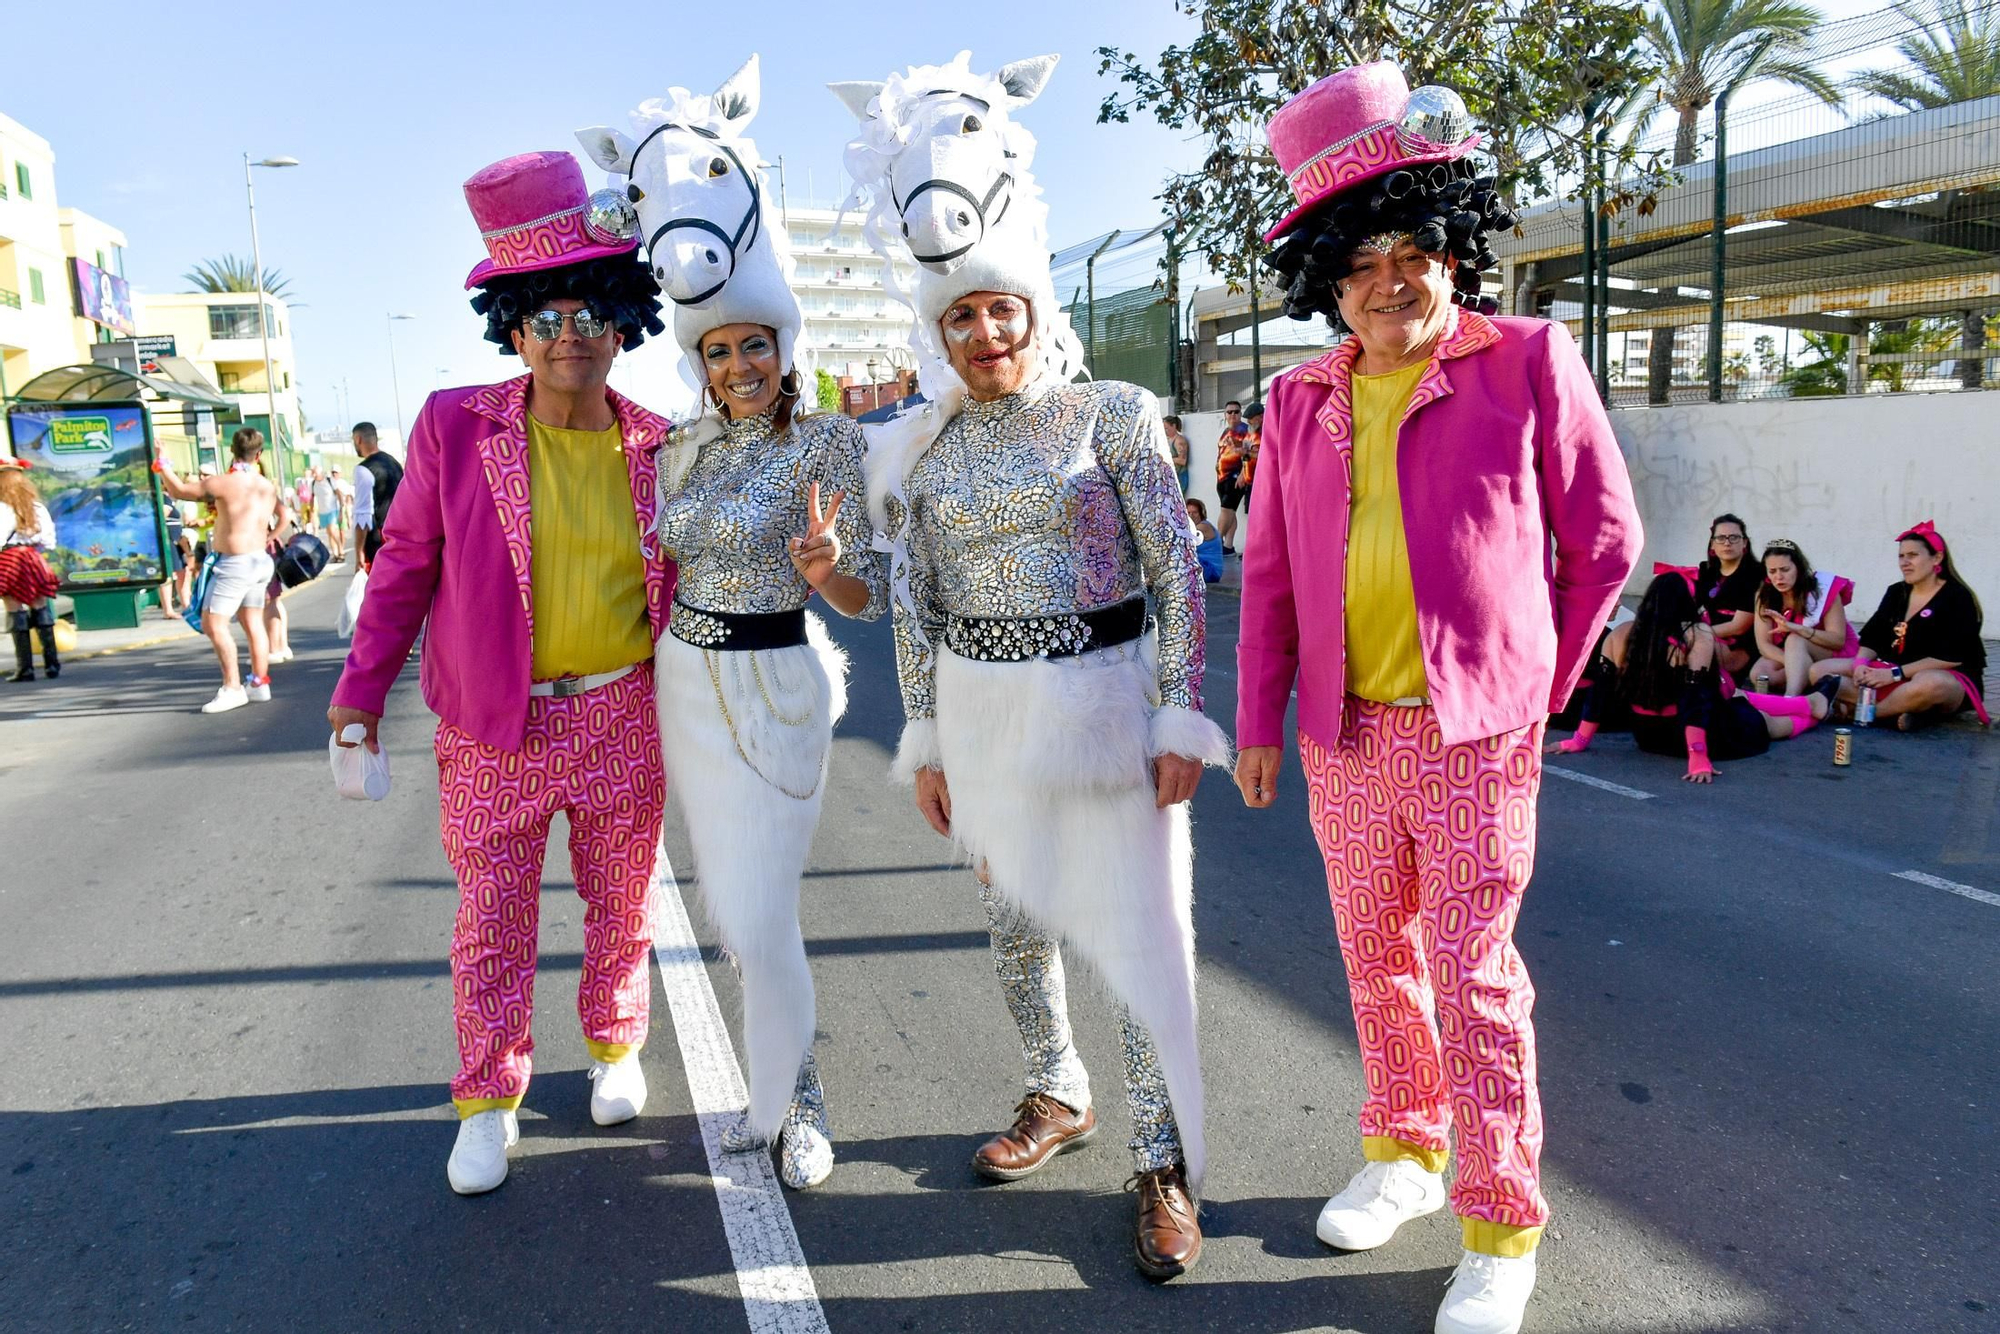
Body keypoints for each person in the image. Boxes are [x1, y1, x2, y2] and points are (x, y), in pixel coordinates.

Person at [1238, 63, 1645, 1334]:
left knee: (1471, 973)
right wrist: (1257, 716)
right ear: (1325, 280)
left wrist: (1533, 685)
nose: (1389, 279)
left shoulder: (1525, 358)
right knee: (1373, 959)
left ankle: (1500, 1220)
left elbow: (1605, 541)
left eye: (1414, 248)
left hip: (1477, 737)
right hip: (1343, 737)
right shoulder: (1296, 399)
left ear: (1452, 245)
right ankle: (1406, 1152)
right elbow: (1264, 577)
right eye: (1358, 262)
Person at [838, 51, 1227, 1279]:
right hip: (987, 720)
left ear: (1031, 308)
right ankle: (1055, 1094)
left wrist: (1178, 712)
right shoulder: (925, 453)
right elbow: (912, 604)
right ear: (936, 328)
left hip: (1112, 710)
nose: (985, 331)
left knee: (1138, 941)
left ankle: (1163, 1163)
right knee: (1016, 928)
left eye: (999, 309)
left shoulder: (1110, 411)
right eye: (961, 315)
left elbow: (1175, 568)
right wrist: (928, 739)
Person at [328, 149, 673, 1195]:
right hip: (492, 722)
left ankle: (615, 1046)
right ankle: (487, 1097)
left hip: (622, 710)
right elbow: (402, 568)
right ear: (512, 330)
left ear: (623, 322)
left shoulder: (661, 443)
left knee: (623, 905)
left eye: (588, 313)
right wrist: (357, 696)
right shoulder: (453, 426)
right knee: (490, 918)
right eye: (544, 316)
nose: (568, 334)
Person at [578, 59, 887, 1188]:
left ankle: (798, 1101)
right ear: (697, 359)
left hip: (782, 682)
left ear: (781, 345)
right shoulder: (671, 449)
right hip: (682, 684)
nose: (741, 363)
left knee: (765, 906)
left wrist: (829, 572)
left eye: (756, 345)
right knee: (724, 892)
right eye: (719, 350)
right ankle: (775, 1085)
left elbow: (863, 601)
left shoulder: (827, 447)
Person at [1554, 570, 1839, 780]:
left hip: (1648, 735)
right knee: (1764, 722)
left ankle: (1812, 703)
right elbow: (1695, 696)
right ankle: (1813, 709)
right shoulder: (1695, 634)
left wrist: (1579, 740)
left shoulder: (1620, 635)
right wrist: (1698, 755)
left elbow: (1599, 695)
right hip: (1692, 734)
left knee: (1736, 698)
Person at [1811, 521, 1987, 730]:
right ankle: (1906, 712)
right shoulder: (1896, 592)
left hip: (1941, 678)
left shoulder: (1957, 597)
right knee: (1819, 670)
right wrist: (1860, 664)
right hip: (1891, 673)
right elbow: (1872, 638)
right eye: (1901, 556)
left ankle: (1864, 713)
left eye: (1913, 555)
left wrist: (1894, 674)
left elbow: (1951, 657)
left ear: (1937, 558)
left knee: (1930, 683)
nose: (1905, 562)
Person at [157, 428, 283, 713]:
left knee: (214, 624)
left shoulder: (223, 483)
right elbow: (281, 515)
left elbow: (177, 491)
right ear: (259, 454)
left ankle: (232, 687)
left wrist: (162, 463)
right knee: (253, 622)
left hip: (235, 563)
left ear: (231, 450)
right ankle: (259, 682)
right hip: (259, 560)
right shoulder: (266, 485)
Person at [1749, 539, 1855, 694]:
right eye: (1772, 571)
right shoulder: (1765, 594)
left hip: (1832, 651)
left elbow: (1837, 641)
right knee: (1760, 674)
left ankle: (1790, 699)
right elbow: (1764, 645)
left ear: (1798, 568)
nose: (1778, 577)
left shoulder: (1821, 589)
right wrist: (1794, 662)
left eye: (1785, 570)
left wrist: (1798, 629)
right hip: (1794, 652)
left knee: (1795, 638)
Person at [0, 459, 61, 682]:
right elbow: (48, 540)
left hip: (8, 558)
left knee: (15, 610)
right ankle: (52, 664)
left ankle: (25, 669)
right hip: (32, 557)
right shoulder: (36, 506)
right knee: (40, 606)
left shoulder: (1, 507)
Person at [1695, 514, 1759, 680]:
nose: (1727, 542)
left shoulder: (1755, 574)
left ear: (1744, 542)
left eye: (1734, 537)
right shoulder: (1706, 571)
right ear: (1713, 544)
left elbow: (1739, 626)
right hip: (1708, 638)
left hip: (1738, 648)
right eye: (1721, 538)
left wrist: (1695, 633)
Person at [350, 423, 403, 570]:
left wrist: (359, 551)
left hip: (379, 540)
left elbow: (363, 515)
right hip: (401, 535)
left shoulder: (363, 470)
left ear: (358, 439)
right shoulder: (394, 463)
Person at [1215, 407, 1246, 553]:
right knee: (1230, 511)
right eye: (1229, 412)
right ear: (1225, 414)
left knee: (1226, 510)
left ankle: (1215, 542)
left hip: (1235, 476)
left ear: (1240, 414)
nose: (1233, 414)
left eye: (1236, 411)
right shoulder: (1225, 431)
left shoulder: (1245, 430)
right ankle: (1228, 546)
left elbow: (1249, 454)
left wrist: (1243, 473)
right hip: (1222, 476)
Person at [1186, 497, 1223, 583]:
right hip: (1202, 566)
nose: (1191, 516)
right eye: (1188, 513)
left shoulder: (1203, 527)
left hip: (1211, 571)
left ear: (1201, 513)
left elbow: (1183, 541)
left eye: (1195, 512)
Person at [311, 467, 344, 562]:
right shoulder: (313, 484)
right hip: (322, 511)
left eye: (315, 473)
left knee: (333, 531)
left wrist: (341, 508)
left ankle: (341, 551)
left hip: (332, 510)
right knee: (329, 533)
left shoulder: (329, 481)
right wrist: (312, 512)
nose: (313, 475)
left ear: (320, 473)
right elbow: (312, 498)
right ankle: (335, 554)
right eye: (313, 473)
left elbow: (339, 494)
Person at [1164, 414, 1192, 494]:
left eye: (1166, 428)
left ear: (1173, 426)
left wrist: (1166, 459)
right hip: (1170, 476)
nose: (1165, 431)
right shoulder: (1168, 439)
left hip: (1179, 477)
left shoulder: (1179, 441)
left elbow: (1182, 460)